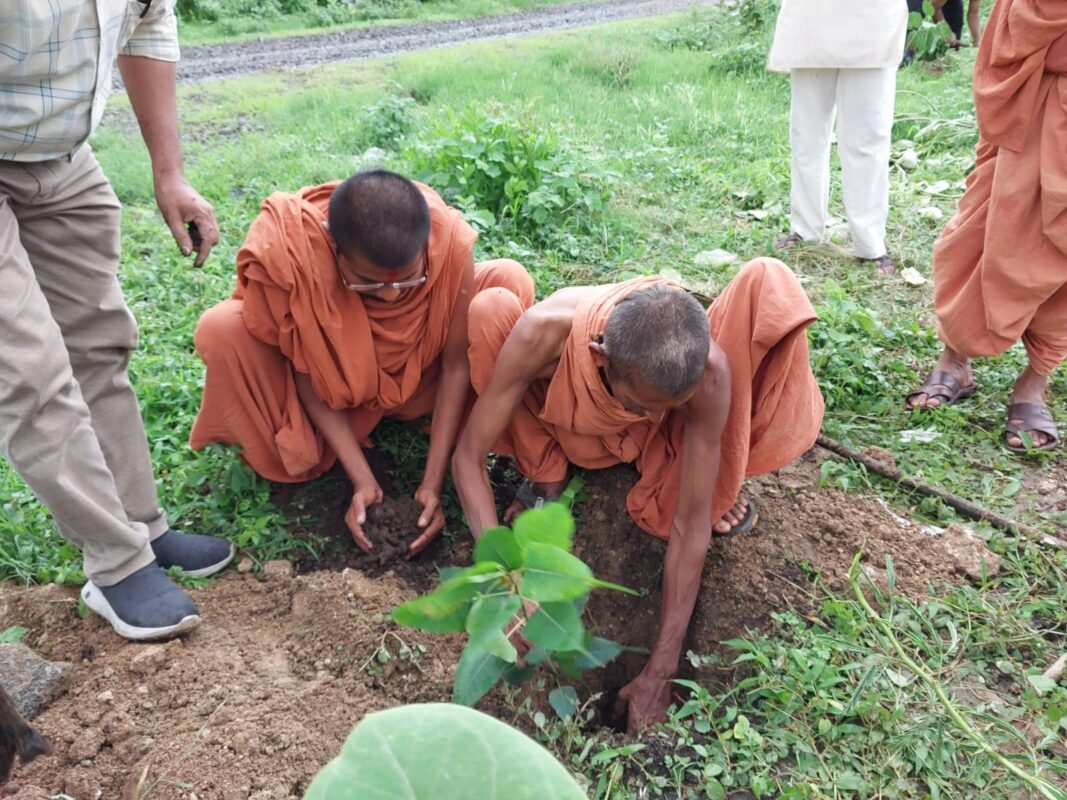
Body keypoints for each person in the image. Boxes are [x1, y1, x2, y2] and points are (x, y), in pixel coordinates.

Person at [451, 258, 824, 731]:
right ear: (599, 357)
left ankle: (683, 468)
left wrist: (660, 672)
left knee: (687, 494)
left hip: (651, 453)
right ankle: (548, 477)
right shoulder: (543, 334)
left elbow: (690, 530)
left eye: (664, 410)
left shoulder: (706, 372)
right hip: (571, 436)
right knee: (490, 313)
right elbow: (467, 458)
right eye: (638, 405)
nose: (649, 418)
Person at [0, 1, 234, 641]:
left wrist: (170, 172)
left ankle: (142, 526)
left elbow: (148, 22)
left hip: (59, 154)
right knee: (28, 368)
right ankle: (116, 563)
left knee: (100, 341)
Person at [191, 169, 534, 555]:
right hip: (336, 394)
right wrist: (362, 480)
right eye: (368, 282)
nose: (389, 297)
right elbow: (308, 373)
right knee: (221, 329)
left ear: (425, 247)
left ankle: (435, 425)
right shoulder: (299, 256)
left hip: (424, 382)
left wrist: (431, 484)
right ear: (334, 248)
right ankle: (335, 443)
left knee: (508, 279)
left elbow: (456, 367)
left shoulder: (449, 243)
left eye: (406, 281)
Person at [906, 1, 1067, 453]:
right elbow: (1026, 43)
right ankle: (955, 359)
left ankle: (1035, 382)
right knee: (985, 232)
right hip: (1024, 114)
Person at [767, 1, 909, 274]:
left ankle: (869, 243)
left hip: (872, 19)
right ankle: (805, 229)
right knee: (806, 134)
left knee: (867, 139)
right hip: (812, 19)